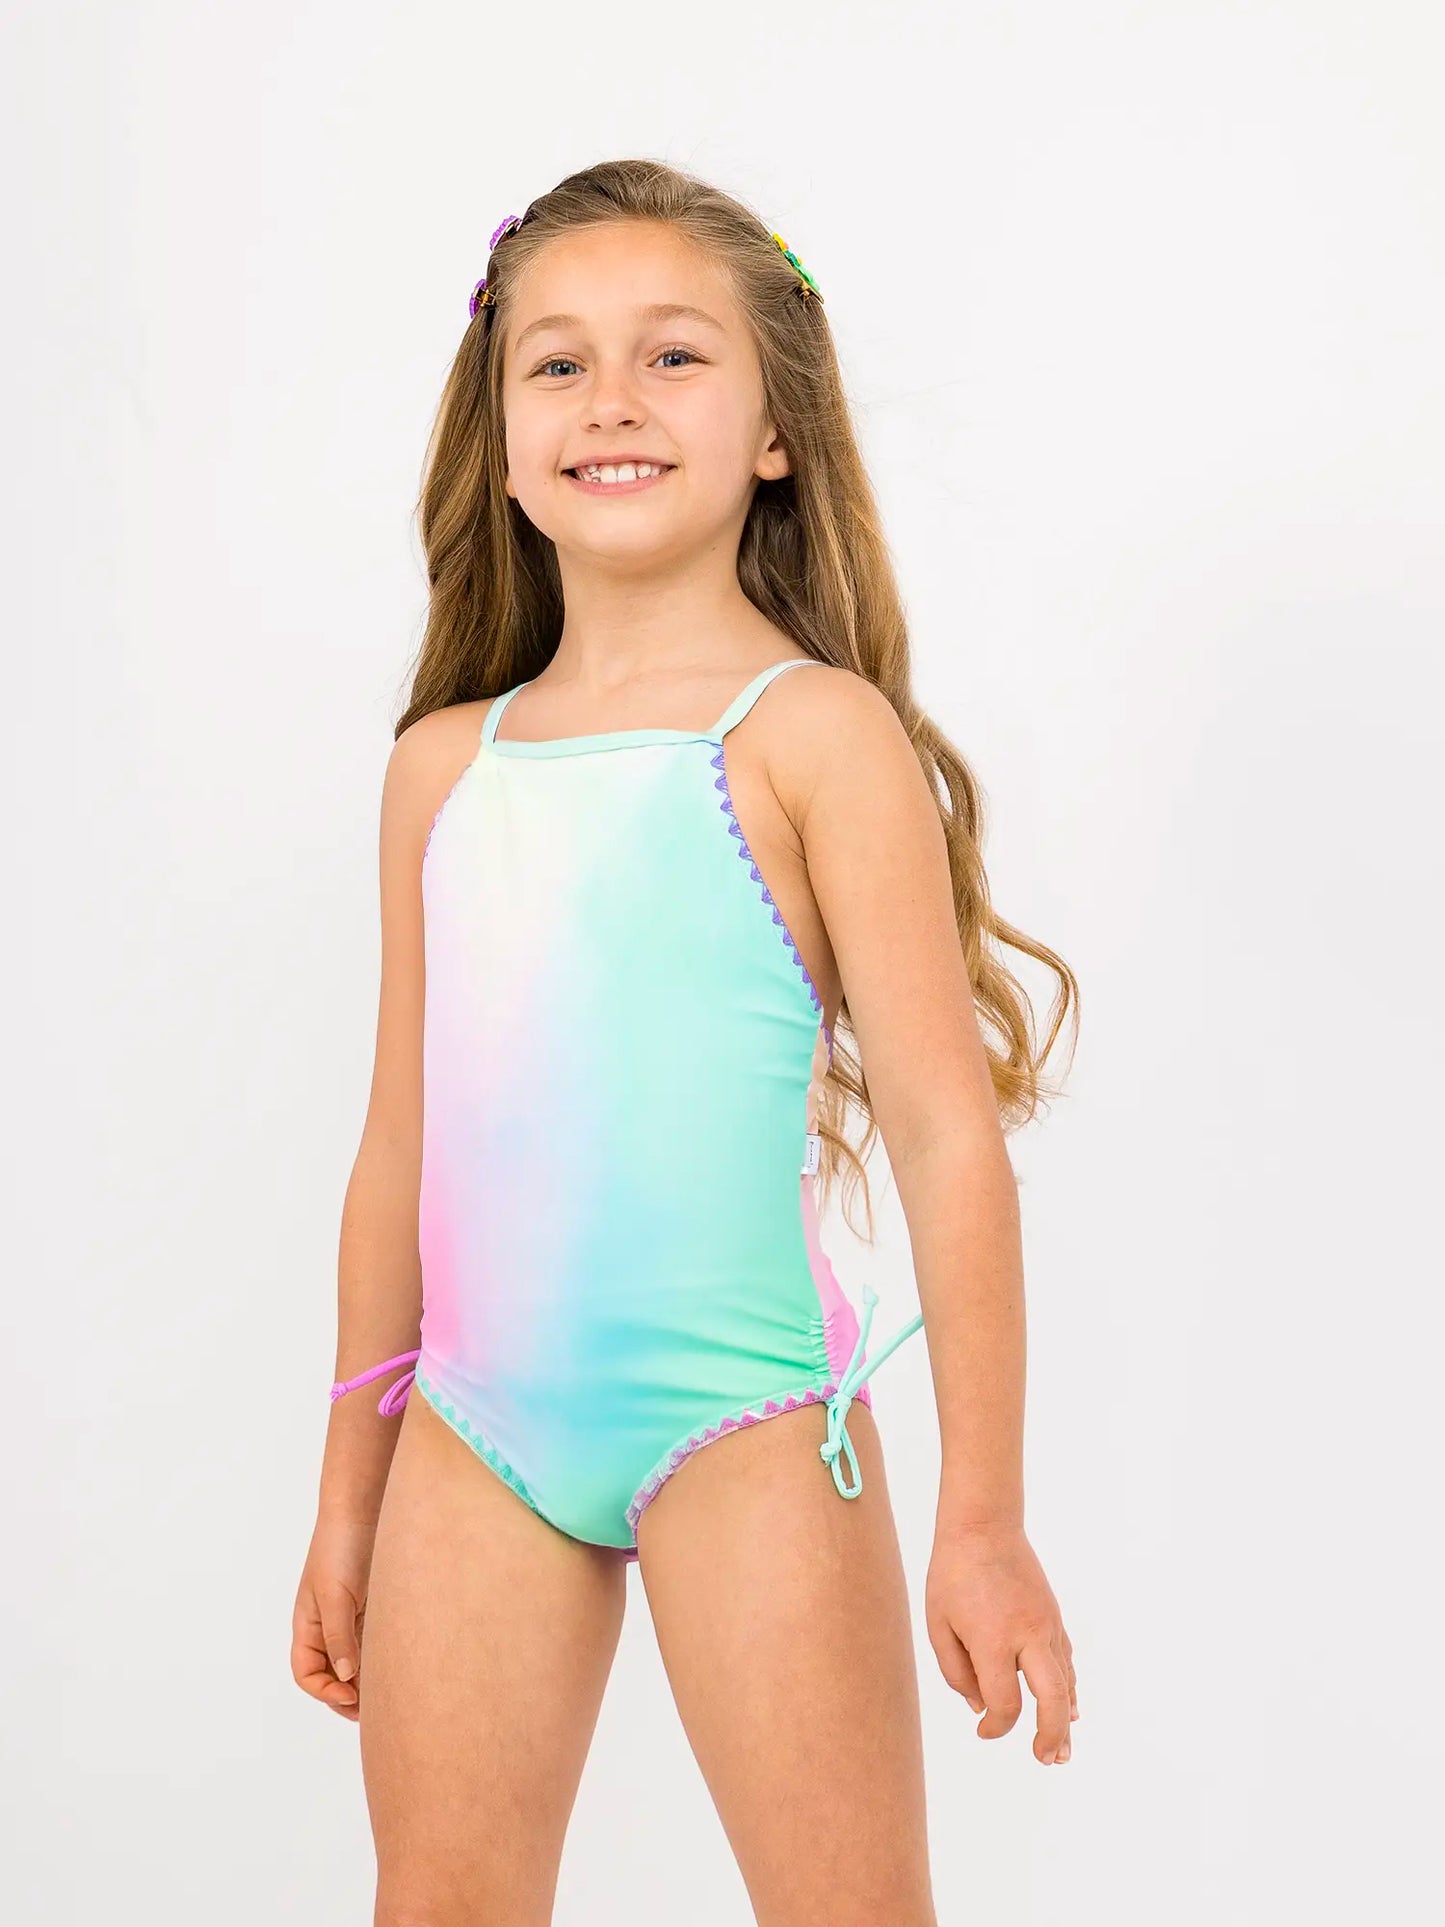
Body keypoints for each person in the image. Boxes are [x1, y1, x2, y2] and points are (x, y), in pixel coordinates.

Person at [293, 157, 1080, 1924]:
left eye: (672, 355)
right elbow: (397, 1149)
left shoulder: (813, 736)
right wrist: (349, 1498)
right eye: (557, 363)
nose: (612, 400)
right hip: (474, 1437)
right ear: (501, 444)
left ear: (775, 431)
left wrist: (981, 1518)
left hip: (747, 1423)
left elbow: (945, 1135)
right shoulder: (442, 767)